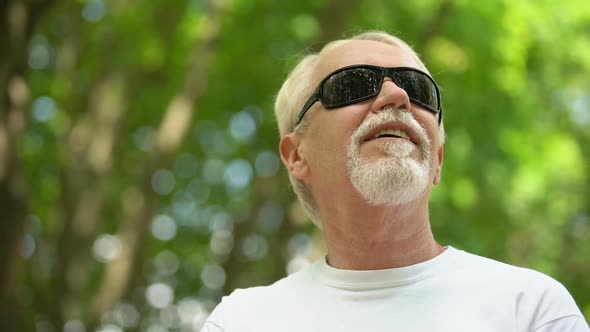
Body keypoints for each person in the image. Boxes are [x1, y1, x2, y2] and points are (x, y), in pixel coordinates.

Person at [200, 30, 589, 331]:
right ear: (297, 155)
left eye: (418, 89)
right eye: (353, 84)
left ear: (436, 161)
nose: (397, 95)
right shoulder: (241, 321)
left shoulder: (532, 310)